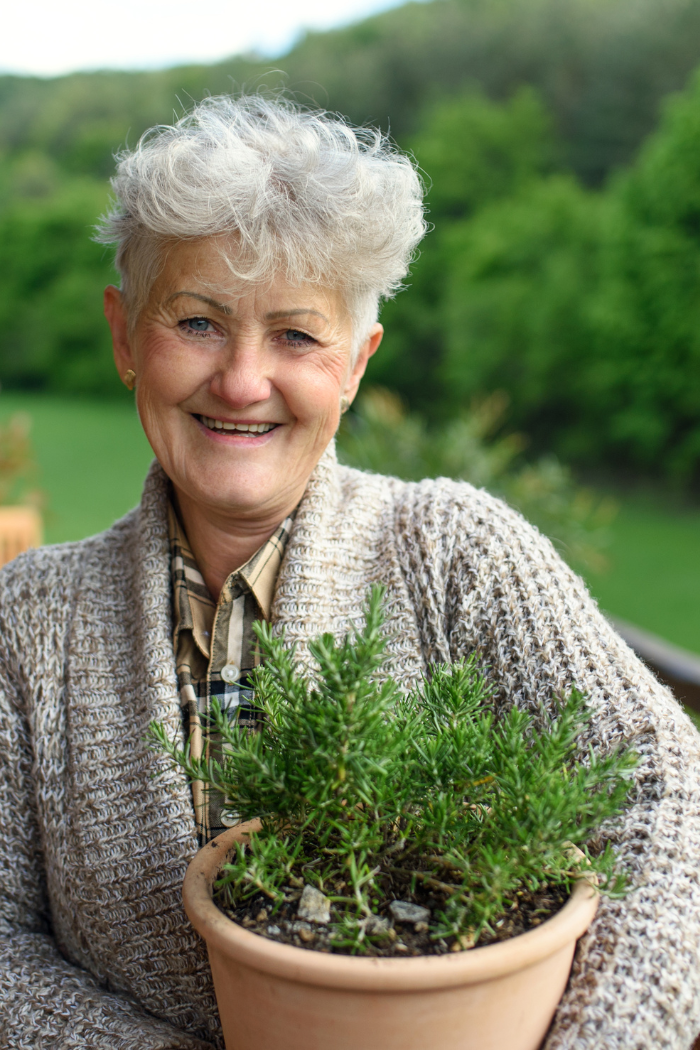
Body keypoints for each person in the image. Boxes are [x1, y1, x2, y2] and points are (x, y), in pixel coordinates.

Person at [0, 95, 698, 1050]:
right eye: (198, 322)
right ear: (126, 336)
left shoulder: (456, 553)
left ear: (357, 363)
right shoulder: (26, 619)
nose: (242, 380)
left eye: (296, 336)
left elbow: (661, 792)